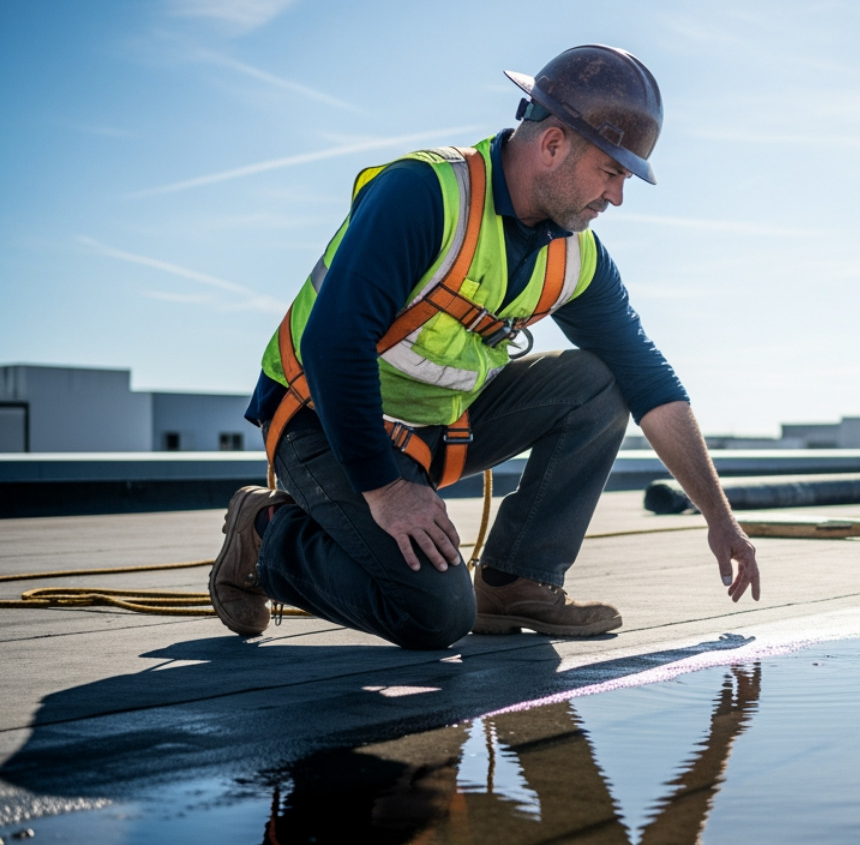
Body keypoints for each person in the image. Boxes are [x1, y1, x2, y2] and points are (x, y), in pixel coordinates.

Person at [209, 44, 760, 650]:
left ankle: (516, 582)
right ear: (552, 145)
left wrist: (719, 518)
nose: (617, 198)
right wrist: (388, 492)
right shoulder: (423, 193)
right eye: (611, 172)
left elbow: (649, 381)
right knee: (434, 614)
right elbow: (333, 341)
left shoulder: (576, 256)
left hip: (429, 430)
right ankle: (265, 535)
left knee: (600, 383)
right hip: (321, 420)